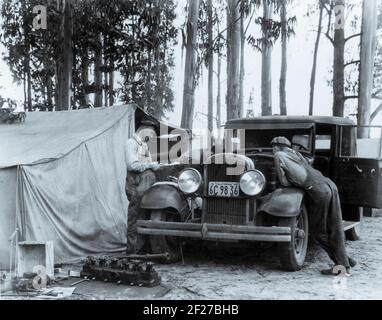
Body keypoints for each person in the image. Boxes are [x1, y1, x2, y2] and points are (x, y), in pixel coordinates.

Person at [271, 136, 356, 275]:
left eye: (273, 147)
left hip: (318, 190)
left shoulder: (279, 155)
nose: (273, 150)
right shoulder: (296, 154)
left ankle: (342, 267)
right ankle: (345, 261)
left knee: (318, 232)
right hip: (328, 185)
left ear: (276, 147)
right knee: (335, 227)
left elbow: (284, 182)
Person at [125, 124, 161, 254]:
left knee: (143, 215)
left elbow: (147, 163)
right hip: (135, 184)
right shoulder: (131, 143)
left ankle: (141, 248)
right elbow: (132, 165)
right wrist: (150, 165)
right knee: (134, 217)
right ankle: (132, 250)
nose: (151, 136)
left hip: (145, 185)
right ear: (143, 130)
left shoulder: (144, 145)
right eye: (150, 133)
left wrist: (154, 167)